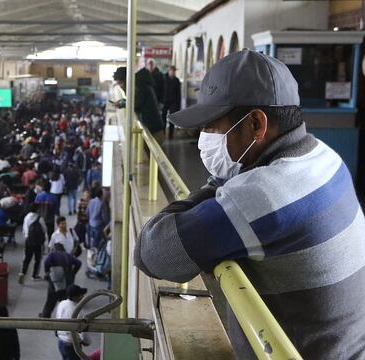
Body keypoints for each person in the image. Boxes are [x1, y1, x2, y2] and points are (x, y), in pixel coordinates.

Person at [134, 49, 365, 359]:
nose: (204, 138)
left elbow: (152, 253)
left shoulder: (261, 195)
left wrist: (219, 183)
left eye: (212, 127)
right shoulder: (324, 156)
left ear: (256, 124)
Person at [113, 66, 163, 143]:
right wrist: (122, 101)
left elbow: (135, 102)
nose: (120, 86)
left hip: (153, 131)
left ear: (126, 79)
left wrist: (122, 103)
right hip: (152, 127)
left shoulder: (138, 85)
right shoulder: (138, 83)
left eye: (120, 83)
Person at [40, 243, 81, 318]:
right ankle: (64, 316)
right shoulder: (68, 255)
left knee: (50, 301)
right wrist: (73, 273)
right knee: (65, 301)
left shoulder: (52, 254)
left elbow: (46, 262)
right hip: (67, 283)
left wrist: (47, 272)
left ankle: (45, 315)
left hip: (55, 282)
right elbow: (78, 263)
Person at [54, 285, 91, 360]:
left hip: (61, 343)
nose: (82, 297)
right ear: (74, 297)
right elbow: (83, 332)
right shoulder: (78, 312)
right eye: (80, 295)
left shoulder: (62, 303)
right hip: (72, 347)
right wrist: (87, 342)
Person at [19, 203, 48, 284]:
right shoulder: (40, 218)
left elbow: (24, 229)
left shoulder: (27, 217)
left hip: (29, 240)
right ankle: (34, 275)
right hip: (38, 242)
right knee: (37, 259)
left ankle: (22, 272)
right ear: (37, 209)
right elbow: (44, 229)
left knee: (27, 258)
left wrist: (26, 237)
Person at [163, 65, 182, 138]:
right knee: (163, 117)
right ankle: (163, 132)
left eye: (174, 71)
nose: (173, 72)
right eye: (172, 70)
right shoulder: (164, 78)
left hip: (173, 102)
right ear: (169, 71)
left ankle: (170, 135)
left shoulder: (176, 80)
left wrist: (178, 105)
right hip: (164, 101)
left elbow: (178, 93)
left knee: (172, 118)